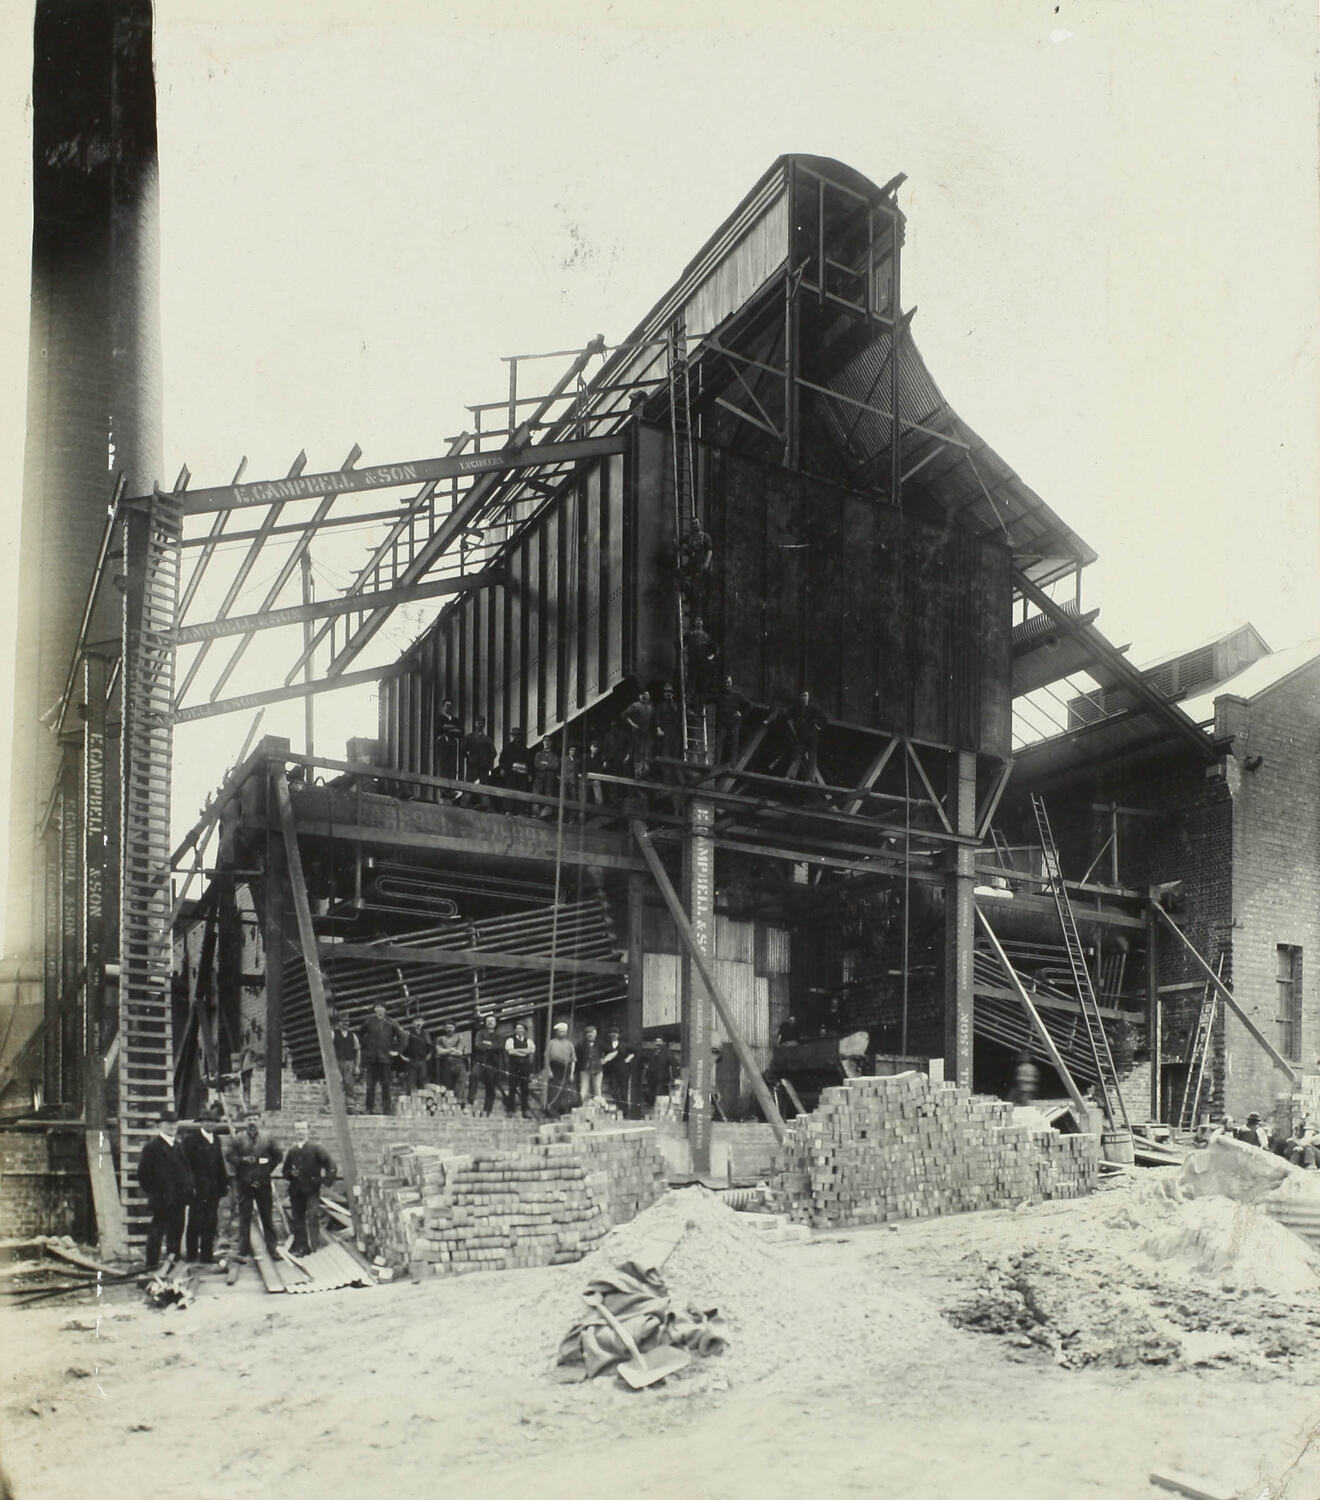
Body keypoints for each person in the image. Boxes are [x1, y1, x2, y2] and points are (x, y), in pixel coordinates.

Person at [136, 1110, 195, 1270]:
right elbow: (143, 1175)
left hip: (179, 1198)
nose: (172, 1127)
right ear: (160, 1125)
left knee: (176, 1232)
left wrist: (187, 1188)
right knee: (157, 1232)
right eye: (168, 1124)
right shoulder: (152, 1147)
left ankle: (172, 1262)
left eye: (174, 1124)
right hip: (162, 1199)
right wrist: (157, 1192)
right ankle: (152, 1264)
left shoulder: (177, 1145)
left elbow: (186, 1170)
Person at [227, 1114, 283, 1258]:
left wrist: (265, 1166)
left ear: (259, 1121)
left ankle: (272, 1248)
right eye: (249, 1120)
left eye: (254, 1119)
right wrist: (242, 1160)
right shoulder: (238, 1138)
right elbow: (229, 1156)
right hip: (244, 1183)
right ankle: (243, 1249)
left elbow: (277, 1156)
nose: (252, 1122)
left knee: (267, 1216)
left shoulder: (267, 1137)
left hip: (262, 1183)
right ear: (245, 1122)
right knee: (244, 1216)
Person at [282, 1120, 337, 1257]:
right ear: (295, 1131)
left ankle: (314, 1246)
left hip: (312, 1189)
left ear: (308, 1130)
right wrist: (290, 1174)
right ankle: (302, 1248)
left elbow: (331, 1165)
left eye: (303, 1128)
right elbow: (285, 1171)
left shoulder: (316, 1148)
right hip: (296, 1191)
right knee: (297, 1219)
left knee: (312, 1216)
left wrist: (326, 1182)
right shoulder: (292, 1151)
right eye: (298, 1129)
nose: (300, 1131)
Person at [181, 1106, 228, 1264]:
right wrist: (190, 1186)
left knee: (211, 1221)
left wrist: (223, 1184)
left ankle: (207, 1255)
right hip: (197, 1189)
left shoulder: (216, 1140)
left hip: (213, 1189)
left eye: (212, 1121)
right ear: (201, 1123)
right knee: (195, 1221)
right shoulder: (190, 1140)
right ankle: (192, 1255)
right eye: (206, 1121)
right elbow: (186, 1167)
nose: (209, 1124)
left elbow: (220, 1164)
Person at [359, 1002, 405, 1115]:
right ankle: (369, 1108)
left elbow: (402, 1037)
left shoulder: (392, 1022)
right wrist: (367, 1045)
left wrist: (397, 1051)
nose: (379, 1010)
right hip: (372, 1058)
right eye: (377, 1007)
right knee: (370, 1084)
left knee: (386, 1084)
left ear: (385, 1010)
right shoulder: (369, 1021)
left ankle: (387, 1109)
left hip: (385, 1058)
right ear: (374, 1009)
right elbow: (360, 1034)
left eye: (382, 1007)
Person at [787, 689, 827, 780]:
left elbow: (824, 719)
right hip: (801, 736)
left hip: (811, 736)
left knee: (811, 757)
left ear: (808, 698)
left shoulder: (813, 709)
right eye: (802, 696)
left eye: (805, 696)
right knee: (797, 755)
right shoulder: (796, 709)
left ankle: (811, 779)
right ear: (800, 697)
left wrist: (819, 727)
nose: (803, 698)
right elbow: (787, 715)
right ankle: (790, 776)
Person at [470, 1013, 503, 1115]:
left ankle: (487, 1109)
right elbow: (477, 1045)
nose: (490, 1023)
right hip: (480, 1061)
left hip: (492, 1063)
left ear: (495, 1023)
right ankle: (470, 1100)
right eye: (488, 1021)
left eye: (492, 1021)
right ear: (485, 1023)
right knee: (473, 1075)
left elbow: (500, 1046)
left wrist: (487, 1045)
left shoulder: (498, 1035)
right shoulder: (480, 1033)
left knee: (490, 1085)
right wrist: (490, 1046)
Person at [714, 676, 751, 766]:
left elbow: (749, 705)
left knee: (734, 743)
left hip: (734, 722)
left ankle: (733, 763)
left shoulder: (737, 695)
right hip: (724, 722)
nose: (727, 684)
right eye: (725, 682)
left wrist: (741, 713)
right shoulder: (720, 696)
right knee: (719, 742)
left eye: (729, 682)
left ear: (731, 684)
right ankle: (717, 762)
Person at [461, 716, 498, 808]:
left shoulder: (487, 739)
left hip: (483, 768)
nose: (480, 725)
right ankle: (464, 804)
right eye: (478, 723)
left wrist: (488, 763)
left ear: (484, 725)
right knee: (468, 785)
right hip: (472, 766)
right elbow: (462, 749)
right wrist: (469, 758)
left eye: (482, 723)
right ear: (475, 724)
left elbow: (494, 752)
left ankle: (485, 805)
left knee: (484, 786)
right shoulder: (469, 737)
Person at [544, 1020, 578, 1117]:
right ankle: (552, 1111)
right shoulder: (551, 1043)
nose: (561, 1033)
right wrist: (549, 1071)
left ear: (566, 1032)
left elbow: (573, 1060)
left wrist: (571, 1073)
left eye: (563, 1031)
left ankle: (564, 1111)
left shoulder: (569, 1044)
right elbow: (546, 1058)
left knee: (565, 1091)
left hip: (565, 1069)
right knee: (553, 1090)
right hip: (554, 1068)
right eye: (560, 1031)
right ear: (556, 1032)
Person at [504, 1021, 536, 1117]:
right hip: (514, 1066)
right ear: (515, 1030)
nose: (519, 1030)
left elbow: (532, 1050)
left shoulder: (529, 1041)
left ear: (525, 1030)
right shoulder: (510, 1040)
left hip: (525, 1067)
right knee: (512, 1088)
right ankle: (510, 1110)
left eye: (521, 1028)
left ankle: (525, 1111)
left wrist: (517, 1050)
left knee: (525, 1089)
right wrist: (524, 1052)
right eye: (517, 1028)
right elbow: (510, 1051)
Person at [621, 691, 655, 779]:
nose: (645, 697)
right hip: (638, 731)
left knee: (647, 751)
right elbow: (624, 715)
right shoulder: (635, 705)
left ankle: (646, 772)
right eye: (643, 695)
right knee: (638, 751)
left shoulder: (650, 708)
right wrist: (632, 724)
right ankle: (638, 773)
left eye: (647, 695)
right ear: (640, 696)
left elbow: (652, 721)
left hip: (646, 732)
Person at [652, 684, 683, 779]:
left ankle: (673, 780)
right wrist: (658, 729)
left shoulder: (676, 705)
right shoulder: (660, 706)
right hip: (665, 732)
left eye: (670, 692)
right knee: (666, 756)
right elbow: (657, 718)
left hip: (676, 733)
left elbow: (680, 714)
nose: (668, 694)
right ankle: (667, 780)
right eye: (666, 692)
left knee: (675, 756)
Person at [684, 617, 718, 701]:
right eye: (697, 621)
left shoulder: (706, 636)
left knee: (702, 685)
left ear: (702, 623)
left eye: (700, 621)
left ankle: (701, 703)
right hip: (693, 662)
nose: (699, 622)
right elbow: (682, 643)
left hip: (703, 663)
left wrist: (711, 657)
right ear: (694, 623)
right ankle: (689, 701)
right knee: (692, 683)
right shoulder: (690, 634)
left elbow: (712, 649)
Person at [601, 1026, 634, 1111]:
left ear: (618, 1035)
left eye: (616, 1033)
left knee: (624, 1091)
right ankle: (620, 1107)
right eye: (612, 1033)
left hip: (623, 1070)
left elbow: (633, 1052)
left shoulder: (624, 1045)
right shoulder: (606, 1045)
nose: (614, 1035)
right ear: (609, 1035)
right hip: (612, 1071)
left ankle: (625, 1111)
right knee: (613, 1091)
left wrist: (627, 1060)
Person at [500, 727, 533, 808]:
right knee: (510, 791)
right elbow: (502, 760)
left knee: (522, 791)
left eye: (518, 735)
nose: (516, 737)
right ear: (512, 736)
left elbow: (529, 762)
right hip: (511, 773)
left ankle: (520, 810)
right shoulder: (507, 748)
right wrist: (503, 769)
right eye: (514, 735)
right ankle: (509, 810)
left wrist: (530, 774)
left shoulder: (525, 749)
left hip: (522, 774)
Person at [331, 1012, 359, 1105]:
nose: (345, 1023)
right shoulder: (333, 1034)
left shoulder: (353, 1035)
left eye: (347, 1021)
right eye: (343, 1021)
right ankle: (336, 1106)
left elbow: (358, 1051)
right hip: (337, 1062)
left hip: (350, 1063)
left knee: (349, 1085)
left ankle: (350, 1106)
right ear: (339, 1023)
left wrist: (357, 1066)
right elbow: (330, 1051)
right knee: (337, 1084)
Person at [435, 1021, 468, 1098]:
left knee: (460, 1085)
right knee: (447, 1086)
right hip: (446, 1064)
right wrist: (451, 1049)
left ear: (454, 1028)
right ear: (444, 1028)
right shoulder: (440, 1039)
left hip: (458, 1064)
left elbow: (459, 1052)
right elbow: (439, 1051)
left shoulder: (460, 1037)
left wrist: (445, 1051)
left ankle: (459, 1103)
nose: (449, 1029)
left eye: (451, 1027)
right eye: (447, 1027)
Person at [434, 698, 463, 786]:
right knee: (443, 765)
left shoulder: (456, 720)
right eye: (447, 705)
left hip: (453, 743)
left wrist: (447, 727)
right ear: (443, 707)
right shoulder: (439, 717)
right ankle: (443, 788)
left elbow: (460, 732)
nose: (449, 708)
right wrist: (453, 729)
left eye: (451, 706)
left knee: (452, 765)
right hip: (443, 743)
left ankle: (451, 788)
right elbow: (441, 727)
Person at [402, 1017, 434, 1092]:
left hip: (423, 1061)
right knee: (411, 1082)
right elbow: (402, 1045)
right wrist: (402, 1056)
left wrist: (429, 1054)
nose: (418, 1023)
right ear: (413, 1023)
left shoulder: (425, 1033)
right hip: (411, 1061)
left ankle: (421, 1101)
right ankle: (411, 1099)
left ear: (423, 1023)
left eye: (420, 1021)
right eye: (416, 1021)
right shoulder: (408, 1033)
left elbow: (430, 1046)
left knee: (423, 1081)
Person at [577, 1024, 605, 1105]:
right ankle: (584, 1107)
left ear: (595, 1034)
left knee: (597, 1088)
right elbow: (575, 1056)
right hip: (584, 1070)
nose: (590, 1036)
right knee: (584, 1089)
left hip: (597, 1069)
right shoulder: (580, 1045)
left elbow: (613, 1051)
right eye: (588, 1034)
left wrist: (605, 1060)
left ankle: (598, 1107)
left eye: (591, 1034)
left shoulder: (600, 1044)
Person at [533, 737, 561, 818]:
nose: (547, 743)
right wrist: (548, 765)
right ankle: (536, 813)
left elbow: (555, 766)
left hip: (549, 779)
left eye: (548, 741)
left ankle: (546, 815)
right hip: (539, 778)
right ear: (542, 742)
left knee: (549, 796)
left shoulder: (554, 756)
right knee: (536, 795)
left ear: (551, 743)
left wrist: (545, 764)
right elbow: (536, 765)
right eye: (545, 741)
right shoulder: (538, 754)